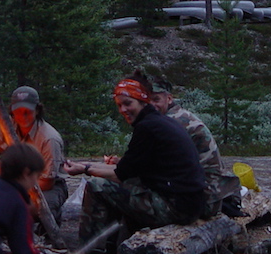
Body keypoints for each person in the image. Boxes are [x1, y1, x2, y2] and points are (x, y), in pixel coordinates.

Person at [62, 74, 206, 243]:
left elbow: (120, 175)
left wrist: (85, 170)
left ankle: (90, 249)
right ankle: (113, 244)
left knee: (97, 187)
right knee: (117, 186)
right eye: (119, 105)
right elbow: (126, 169)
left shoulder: (148, 128)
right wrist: (87, 165)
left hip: (175, 208)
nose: (123, 110)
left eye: (128, 103)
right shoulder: (160, 122)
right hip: (187, 205)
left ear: (142, 101)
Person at [143, 71, 243, 218]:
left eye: (156, 99)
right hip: (212, 190)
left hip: (203, 197)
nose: (151, 105)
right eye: (147, 101)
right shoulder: (179, 116)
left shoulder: (171, 122)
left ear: (169, 99)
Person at [0, 86, 67, 223]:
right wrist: (4, 174)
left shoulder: (49, 138)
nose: (23, 116)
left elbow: (47, 182)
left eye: (28, 112)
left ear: (37, 110)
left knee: (34, 208)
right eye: (18, 112)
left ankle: (47, 228)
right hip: (13, 177)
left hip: (46, 187)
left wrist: (14, 188)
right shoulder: (7, 124)